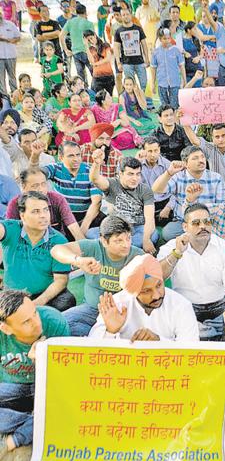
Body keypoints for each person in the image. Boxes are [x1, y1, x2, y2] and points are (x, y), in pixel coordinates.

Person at [158, 202, 225, 340]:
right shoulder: (171, 248)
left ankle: (210, 331)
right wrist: (177, 253)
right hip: (186, 308)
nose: (203, 226)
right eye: (196, 223)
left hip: (220, 308)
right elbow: (158, 277)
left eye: (207, 222)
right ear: (185, 227)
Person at [0, 289, 70, 453]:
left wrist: (41, 363)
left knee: (62, 403)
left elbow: (61, 382)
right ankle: (35, 421)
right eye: (26, 322)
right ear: (6, 329)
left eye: (35, 313)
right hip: (13, 386)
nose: (36, 323)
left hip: (48, 386)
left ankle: (16, 438)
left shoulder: (54, 322)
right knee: (56, 415)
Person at [52, 215, 145, 336]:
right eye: (119, 241)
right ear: (104, 241)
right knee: (58, 323)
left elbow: (156, 278)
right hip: (92, 309)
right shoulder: (93, 247)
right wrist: (78, 261)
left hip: (122, 313)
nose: (126, 245)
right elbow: (56, 250)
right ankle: (98, 335)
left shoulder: (137, 255)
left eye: (128, 238)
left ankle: (99, 335)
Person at [90, 254, 198, 341]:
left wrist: (159, 342)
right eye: (146, 291)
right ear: (133, 293)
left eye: (159, 285)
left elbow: (189, 350)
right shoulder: (116, 305)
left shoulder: (181, 305)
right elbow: (93, 351)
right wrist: (110, 332)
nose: (156, 295)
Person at [0, 192, 75, 312]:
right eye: (35, 211)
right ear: (22, 215)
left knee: (66, 302)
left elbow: (61, 280)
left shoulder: (59, 240)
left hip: (43, 294)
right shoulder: (11, 228)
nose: (43, 215)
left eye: (45, 210)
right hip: (12, 294)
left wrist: (37, 303)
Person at [152, 145, 225, 241]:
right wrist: (169, 173)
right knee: (168, 233)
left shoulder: (216, 178)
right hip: (183, 221)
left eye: (202, 157)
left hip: (208, 221)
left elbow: (222, 206)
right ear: (185, 164)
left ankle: (194, 238)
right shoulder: (178, 176)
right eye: (195, 158)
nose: (201, 160)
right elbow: (156, 189)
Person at [88, 154, 157, 252]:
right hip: (116, 228)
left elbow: (149, 219)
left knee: (153, 236)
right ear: (120, 173)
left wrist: (146, 240)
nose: (135, 178)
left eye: (138, 174)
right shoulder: (111, 184)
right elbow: (95, 179)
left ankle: (115, 247)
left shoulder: (145, 189)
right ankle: (121, 246)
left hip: (137, 228)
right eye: (130, 174)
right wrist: (96, 163)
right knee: (91, 234)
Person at [35, 141, 103, 235]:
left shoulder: (90, 171)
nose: (76, 159)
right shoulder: (55, 168)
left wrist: (82, 229)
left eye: (78, 155)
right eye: (71, 156)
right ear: (61, 157)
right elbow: (36, 175)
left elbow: (96, 203)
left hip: (86, 217)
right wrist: (34, 156)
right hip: (62, 217)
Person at [7, 167, 83, 241]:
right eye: (35, 186)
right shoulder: (14, 204)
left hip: (57, 243)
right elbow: (10, 232)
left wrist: (85, 248)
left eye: (43, 184)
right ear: (23, 187)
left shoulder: (57, 199)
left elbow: (72, 225)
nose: (40, 189)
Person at [113, 6, 149, 92]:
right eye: (123, 15)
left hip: (140, 61)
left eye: (127, 14)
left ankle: (142, 102)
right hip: (127, 63)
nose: (125, 16)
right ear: (121, 17)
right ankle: (133, 103)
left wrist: (147, 58)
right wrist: (118, 62)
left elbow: (144, 44)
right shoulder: (119, 31)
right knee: (130, 86)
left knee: (143, 84)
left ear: (131, 15)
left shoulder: (138, 29)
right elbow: (116, 48)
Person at [151, 28, 186, 107]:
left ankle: (175, 119)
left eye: (168, 38)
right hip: (161, 83)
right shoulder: (156, 52)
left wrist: (184, 80)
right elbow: (153, 68)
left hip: (175, 83)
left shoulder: (176, 50)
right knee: (165, 106)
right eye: (164, 38)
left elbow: (182, 66)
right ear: (160, 39)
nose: (167, 41)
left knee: (174, 106)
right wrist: (153, 83)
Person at [59, 4, 94, 83]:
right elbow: (93, 39)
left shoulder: (70, 22)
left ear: (75, 12)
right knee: (94, 72)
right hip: (87, 51)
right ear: (85, 12)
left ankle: (83, 91)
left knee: (81, 75)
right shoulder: (88, 23)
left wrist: (66, 50)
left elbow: (61, 36)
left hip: (76, 52)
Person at [0, 4, 19, 96]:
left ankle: (14, 94)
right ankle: (4, 96)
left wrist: (10, 40)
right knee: (0, 77)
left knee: (12, 76)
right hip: (0, 56)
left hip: (11, 55)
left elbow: (18, 37)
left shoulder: (10, 24)